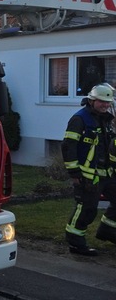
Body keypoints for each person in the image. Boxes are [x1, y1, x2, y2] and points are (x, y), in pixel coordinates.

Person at [62, 83, 116, 256]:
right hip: (87, 176)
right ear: (92, 101)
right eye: (102, 101)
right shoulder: (80, 119)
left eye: (108, 102)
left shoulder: (106, 119)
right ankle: (76, 243)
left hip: (107, 173)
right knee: (87, 209)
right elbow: (68, 147)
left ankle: (108, 231)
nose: (105, 105)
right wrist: (74, 173)